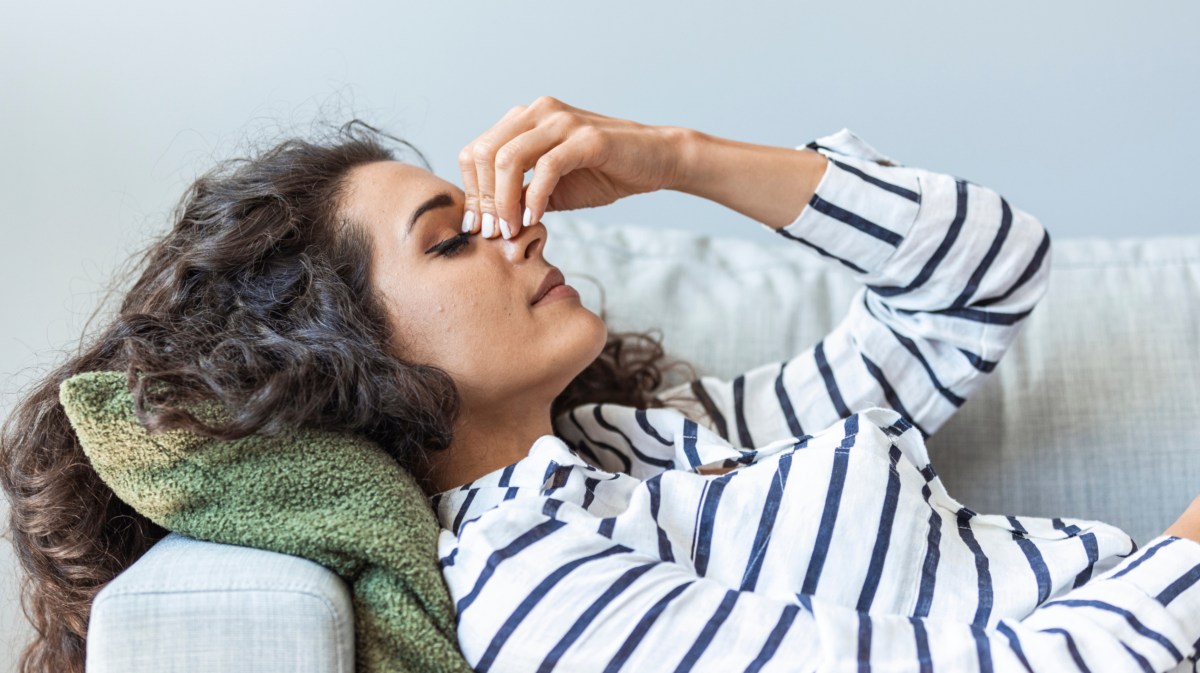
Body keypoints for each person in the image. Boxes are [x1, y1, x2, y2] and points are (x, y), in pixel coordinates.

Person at [0, 96, 1196, 673]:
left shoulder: (647, 445)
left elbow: (985, 282)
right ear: (348, 354)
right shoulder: (539, 592)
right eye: (451, 238)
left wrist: (675, 160)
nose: (515, 233)